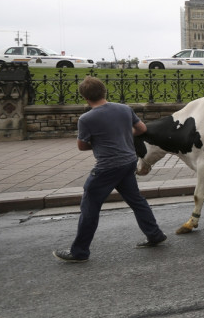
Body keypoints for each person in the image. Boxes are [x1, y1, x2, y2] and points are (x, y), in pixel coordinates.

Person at [53, 77, 166, 262]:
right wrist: (122, 135)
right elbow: (142, 128)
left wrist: (102, 141)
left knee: (90, 206)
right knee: (136, 201)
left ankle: (79, 252)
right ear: (104, 91)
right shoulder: (124, 109)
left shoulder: (86, 119)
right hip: (128, 162)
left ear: (85, 97)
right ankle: (155, 235)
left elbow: (82, 146)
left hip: (107, 167)